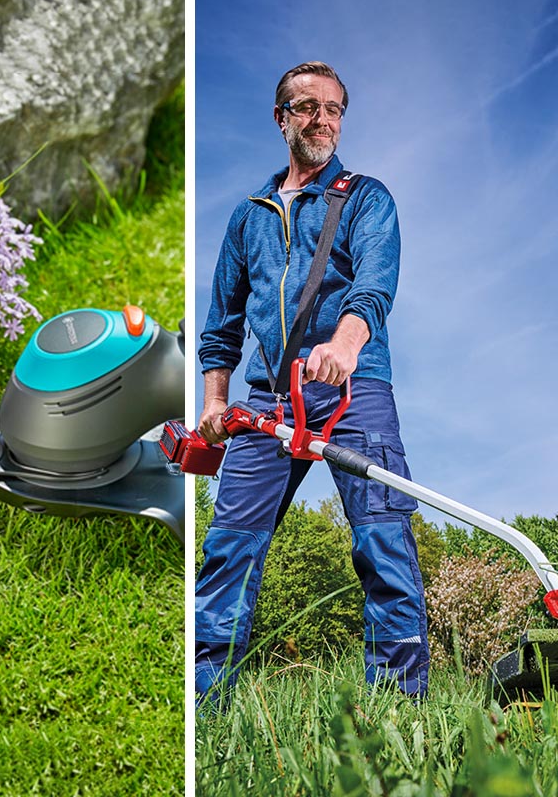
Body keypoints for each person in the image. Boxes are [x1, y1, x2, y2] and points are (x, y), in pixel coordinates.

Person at [195, 61, 429, 709]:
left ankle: (399, 715)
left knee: (384, 546)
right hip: (269, 398)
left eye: (331, 109)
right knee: (227, 554)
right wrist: (216, 402)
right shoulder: (249, 217)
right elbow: (223, 323)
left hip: (356, 392)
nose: (320, 119)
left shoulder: (368, 198)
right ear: (282, 119)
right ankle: (205, 707)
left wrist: (343, 347)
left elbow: (373, 287)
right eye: (305, 108)